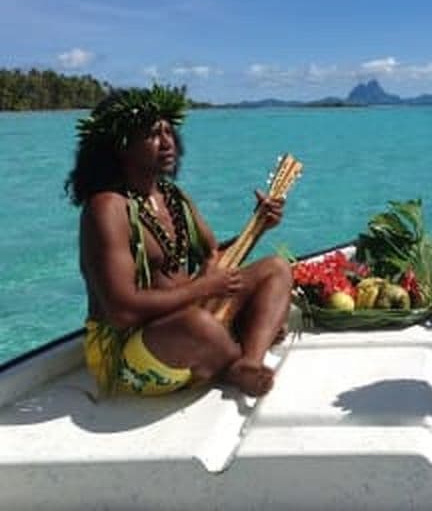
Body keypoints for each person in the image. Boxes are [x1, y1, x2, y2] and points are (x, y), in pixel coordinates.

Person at [65, 85, 292, 397]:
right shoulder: (107, 208)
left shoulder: (173, 197)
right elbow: (121, 311)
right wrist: (206, 287)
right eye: (153, 134)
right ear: (120, 145)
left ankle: (246, 364)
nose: (167, 142)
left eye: (169, 132)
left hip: (191, 315)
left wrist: (258, 227)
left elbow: (216, 255)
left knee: (276, 268)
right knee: (196, 324)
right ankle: (232, 353)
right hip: (131, 349)